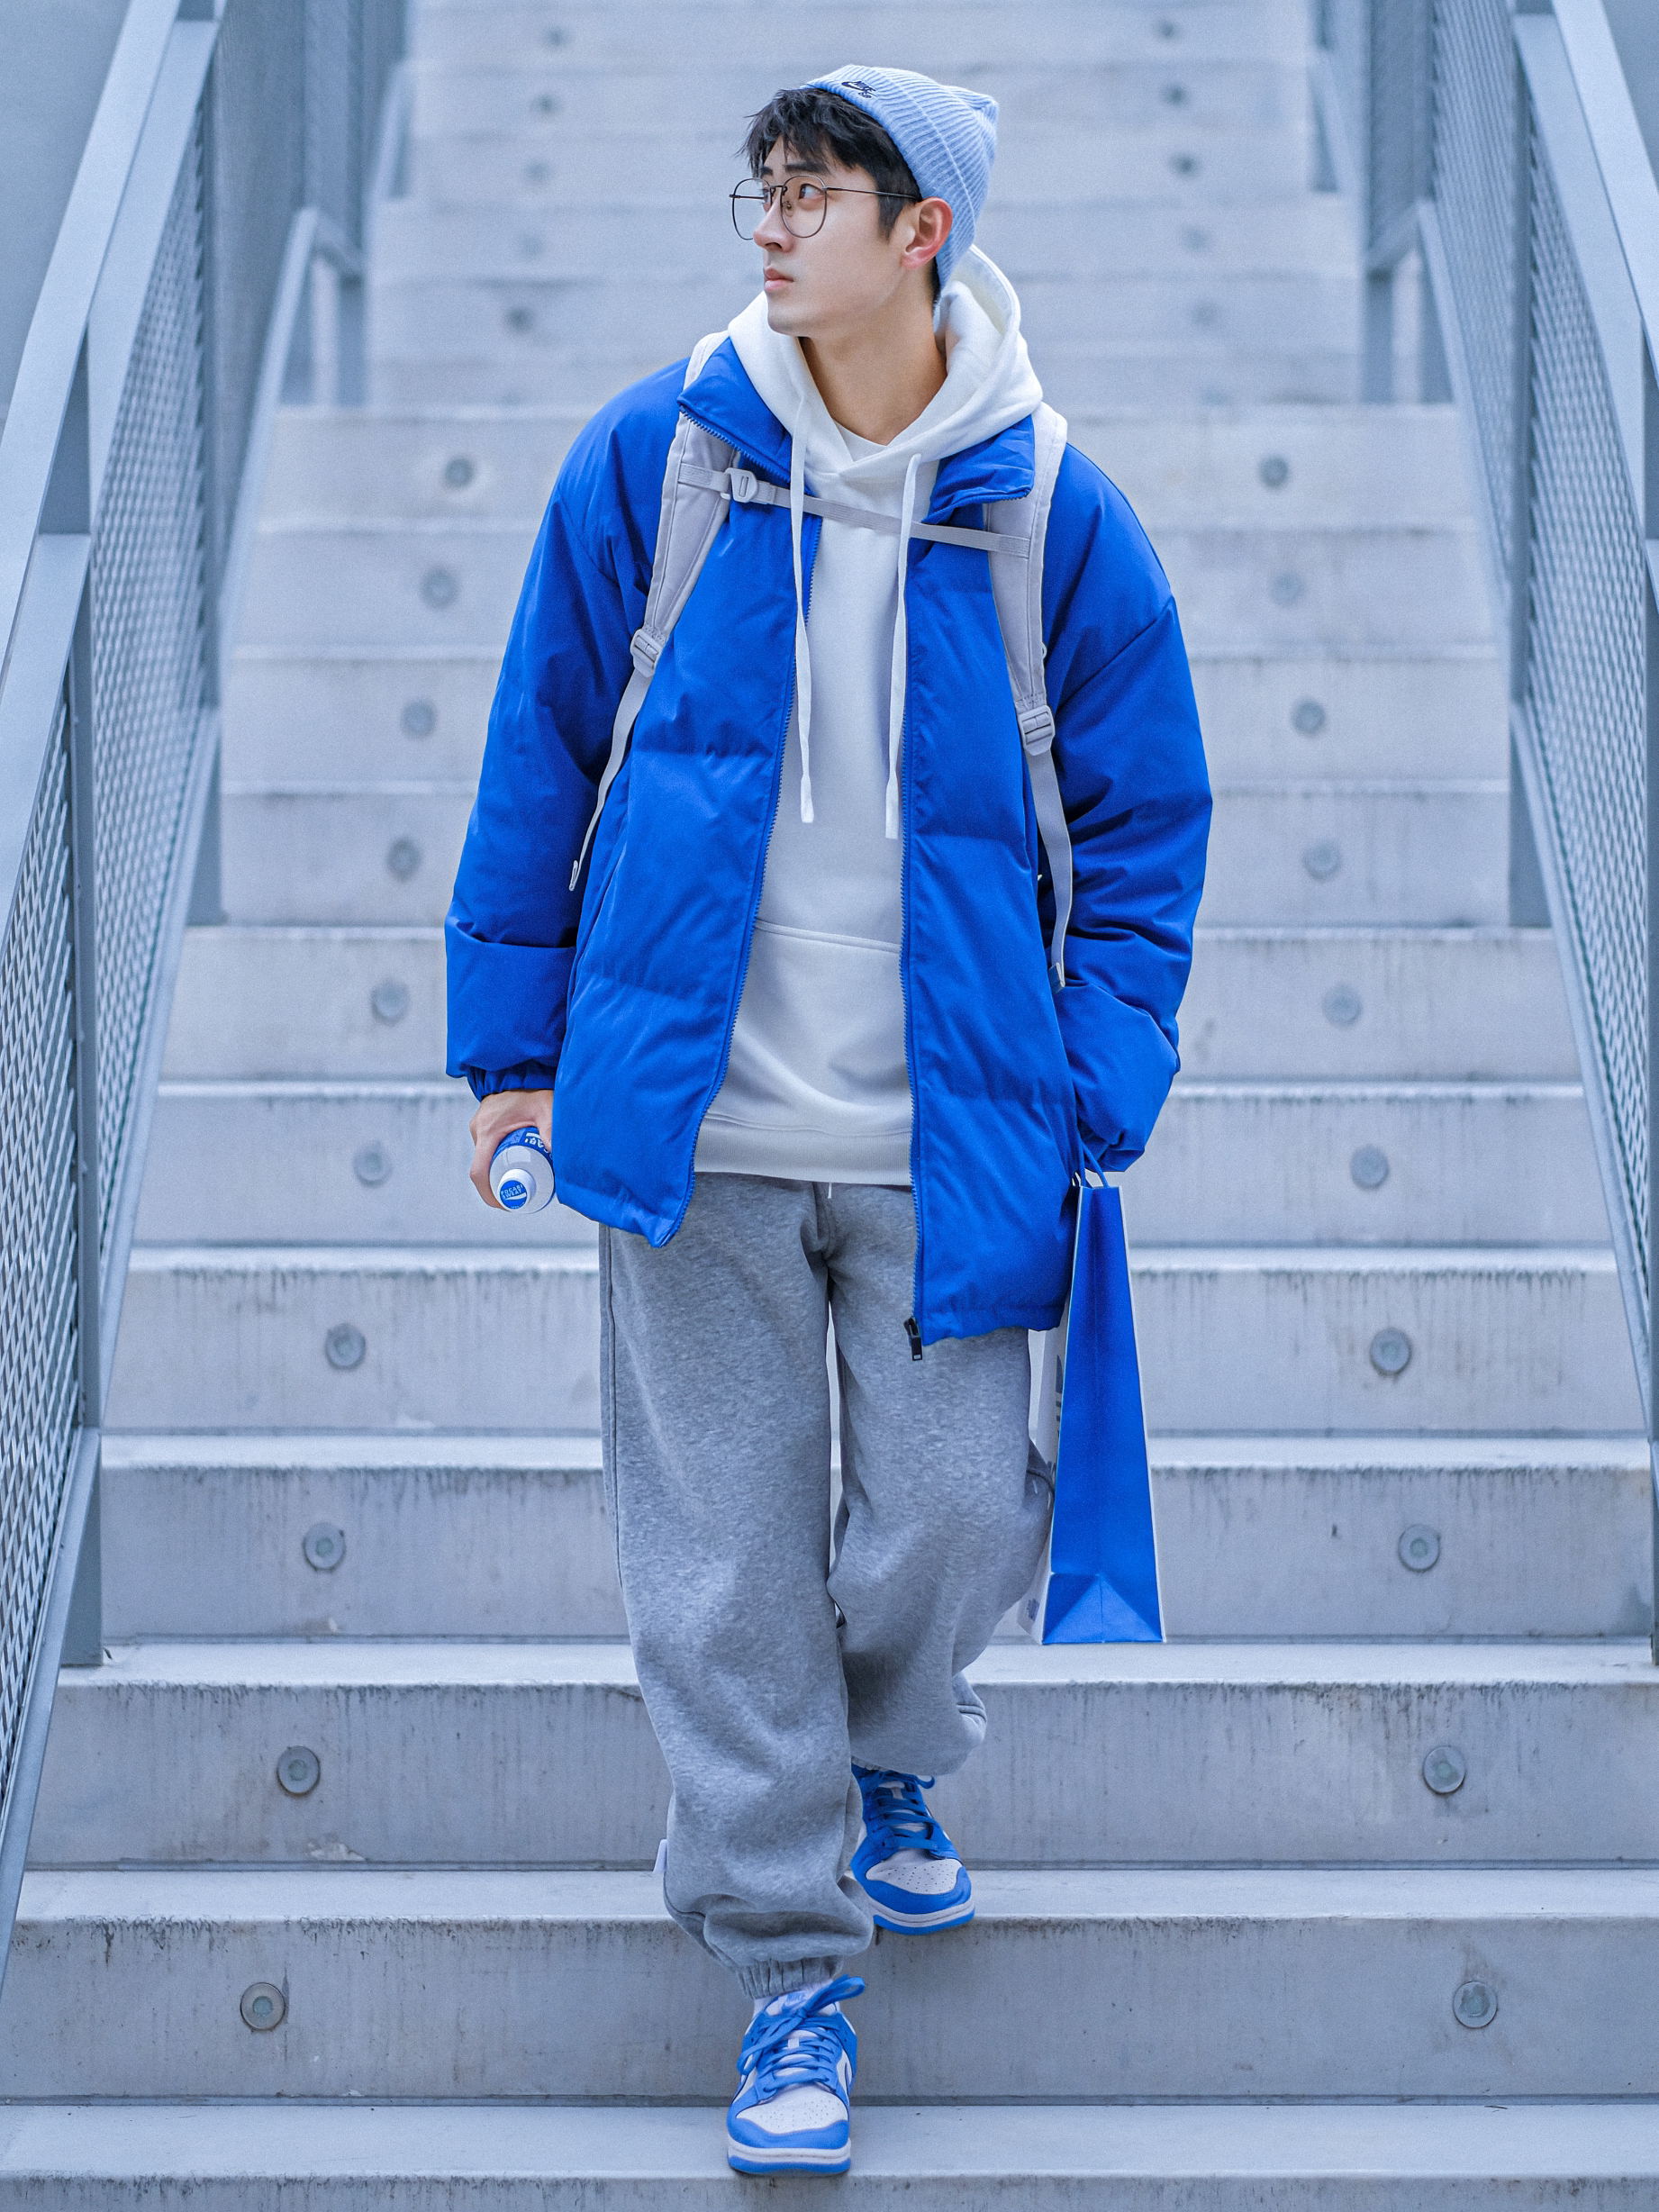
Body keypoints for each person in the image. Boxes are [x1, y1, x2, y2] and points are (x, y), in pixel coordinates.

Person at [447, 65, 1210, 2178]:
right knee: (719, 1565)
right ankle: (791, 1966)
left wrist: (1098, 1073)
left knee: (957, 1513)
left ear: (923, 234)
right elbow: (539, 744)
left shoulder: (1053, 508)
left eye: (812, 195)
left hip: (944, 1131)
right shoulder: (663, 457)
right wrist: (511, 1048)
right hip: (691, 1126)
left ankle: (881, 1756)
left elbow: (1149, 823)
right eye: (760, 191)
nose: (772, 228)